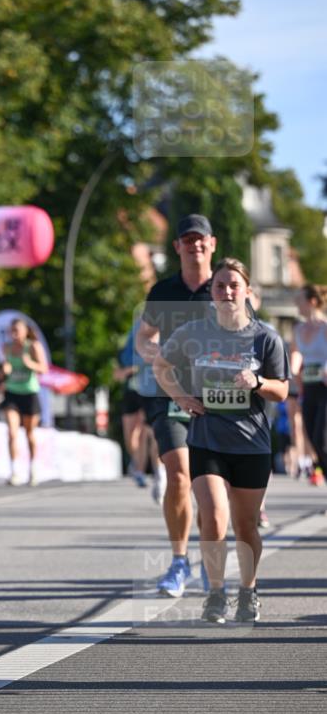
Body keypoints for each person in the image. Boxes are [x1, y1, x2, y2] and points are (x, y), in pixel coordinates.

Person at [153, 258, 289, 623]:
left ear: (247, 292)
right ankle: (215, 593)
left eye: (233, 285)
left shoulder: (265, 338)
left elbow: (282, 391)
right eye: (219, 286)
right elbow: (161, 365)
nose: (227, 292)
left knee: (245, 526)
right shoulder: (195, 333)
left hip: (251, 444)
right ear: (211, 293)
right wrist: (181, 397)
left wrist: (258, 383)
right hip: (207, 439)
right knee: (213, 517)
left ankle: (248, 590)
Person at [135, 214, 218, 595]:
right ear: (177, 247)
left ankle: (208, 560)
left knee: (208, 485)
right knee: (180, 474)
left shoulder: (225, 289)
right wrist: (155, 353)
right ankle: (179, 560)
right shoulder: (163, 291)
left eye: (200, 240)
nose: (194, 246)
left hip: (216, 400)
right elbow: (143, 338)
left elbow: (249, 336)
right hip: (168, 394)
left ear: (212, 244)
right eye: (187, 240)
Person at [115, 320, 166, 502]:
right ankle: (137, 465)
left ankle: (159, 474)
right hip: (133, 389)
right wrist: (127, 369)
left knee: (153, 434)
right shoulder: (135, 332)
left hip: (155, 392)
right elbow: (121, 365)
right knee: (132, 435)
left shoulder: (170, 337)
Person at [0, 317, 48, 486]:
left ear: (25, 331)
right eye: (11, 331)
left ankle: (33, 468)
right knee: (12, 432)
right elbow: (3, 371)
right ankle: (14, 471)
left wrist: (30, 364)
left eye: (17, 331)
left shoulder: (33, 346)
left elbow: (44, 369)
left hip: (29, 393)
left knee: (29, 433)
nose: (14, 334)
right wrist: (4, 371)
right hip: (12, 392)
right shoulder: (7, 347)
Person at [290, 284, 327, 486]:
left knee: (322, 439)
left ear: (312, 301)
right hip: (308, 388)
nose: (297, 305)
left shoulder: (325, 327)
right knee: (313, 439)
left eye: (300, 301)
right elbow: (295, 353)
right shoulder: (299, 328)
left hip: (325, 388)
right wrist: (294, 372)